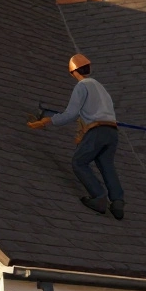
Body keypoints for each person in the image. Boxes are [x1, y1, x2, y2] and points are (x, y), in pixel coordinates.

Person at [28, 54, 125, 220]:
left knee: (79, 162)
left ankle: (99, 197)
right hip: (112, 132)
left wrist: (48, 121)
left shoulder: (82, 86)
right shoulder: (101, 88)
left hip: (97, 131)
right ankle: (117, 202)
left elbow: (71, 114)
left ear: (73, 72)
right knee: (106, 164)